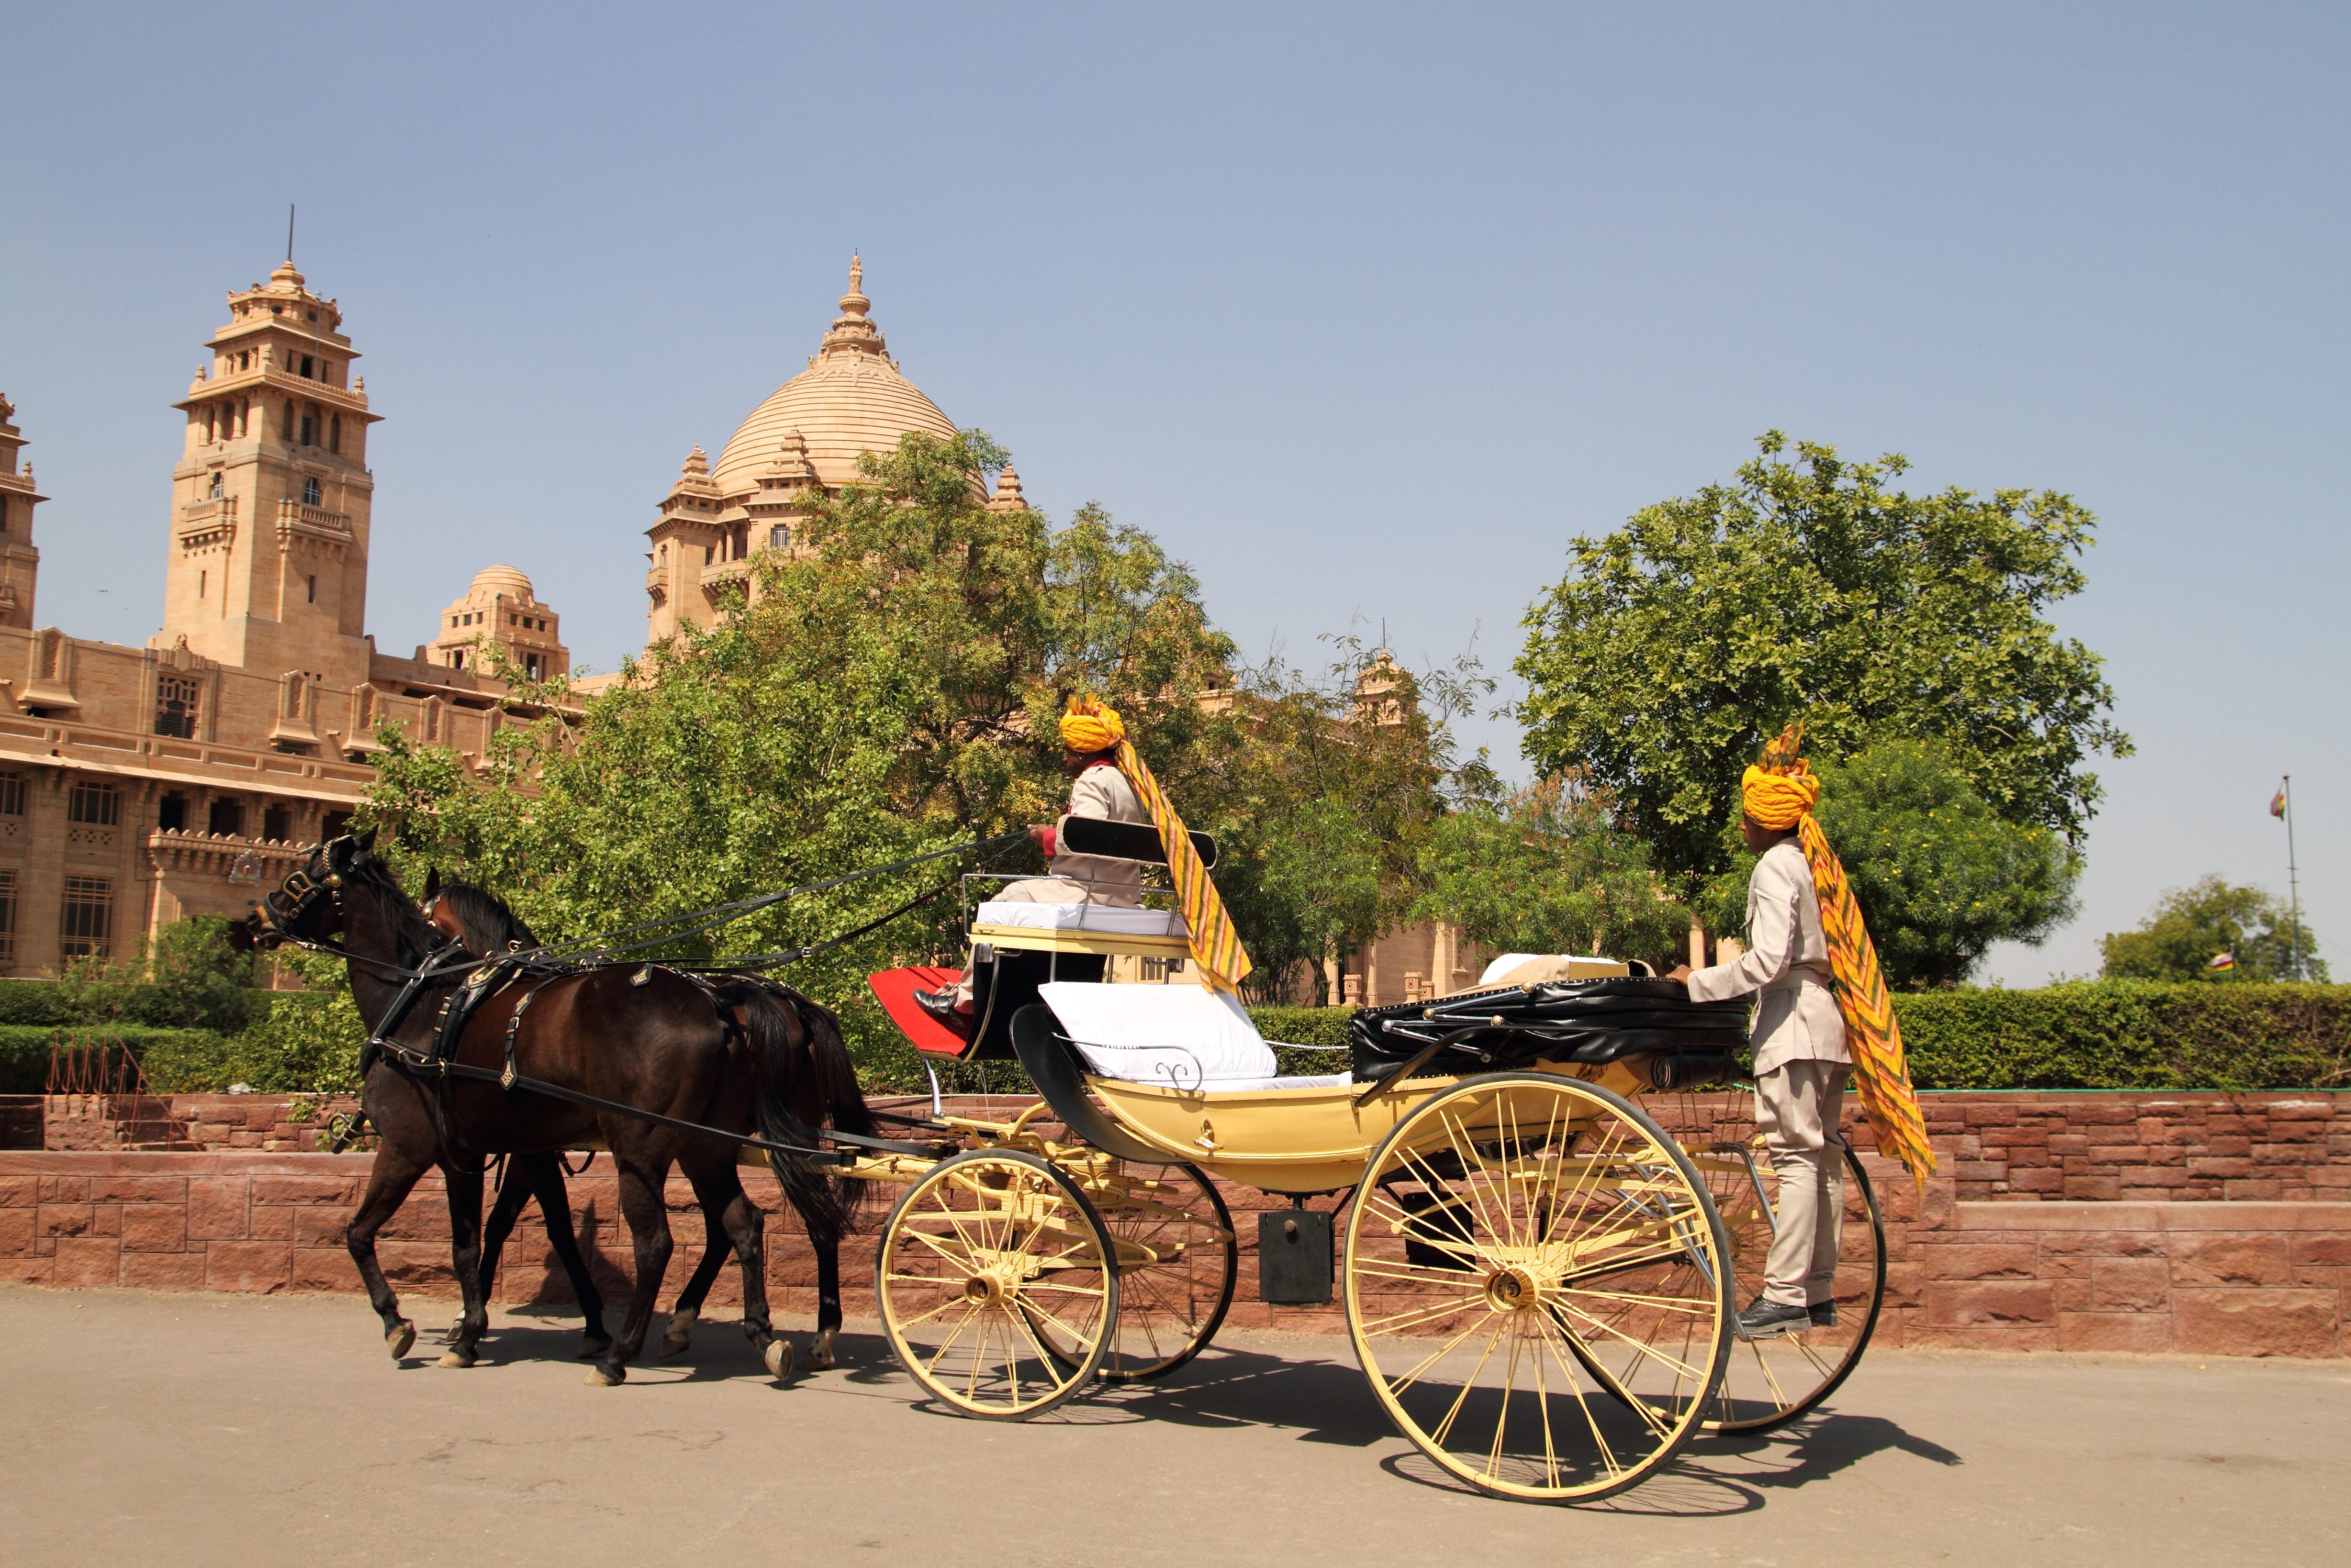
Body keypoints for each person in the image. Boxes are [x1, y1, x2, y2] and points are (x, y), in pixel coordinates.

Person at [1669, 760, 1850, 1338]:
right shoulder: (1810, 865)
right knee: (1821, 1158)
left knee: (1797, 1158)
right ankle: (1817, 1286)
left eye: (1746, 813)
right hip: (1825, 1023)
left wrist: (1694, 983)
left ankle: (1786, 1293)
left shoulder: (1775, 865)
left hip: (1793, 1022)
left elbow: (1769, 960)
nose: (1741, 823)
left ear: (1765, 820)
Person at [911, 709, 1152, 1035]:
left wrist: (1046, 837)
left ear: (1083, 752)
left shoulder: (1091, 781)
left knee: (1006, 900)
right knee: (1018, 900)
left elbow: (1084, 836)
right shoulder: (1126, 783)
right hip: (1122, 893)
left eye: (1069, 752)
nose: (1066, 759)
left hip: (1090, 890)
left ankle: (964, 1000)